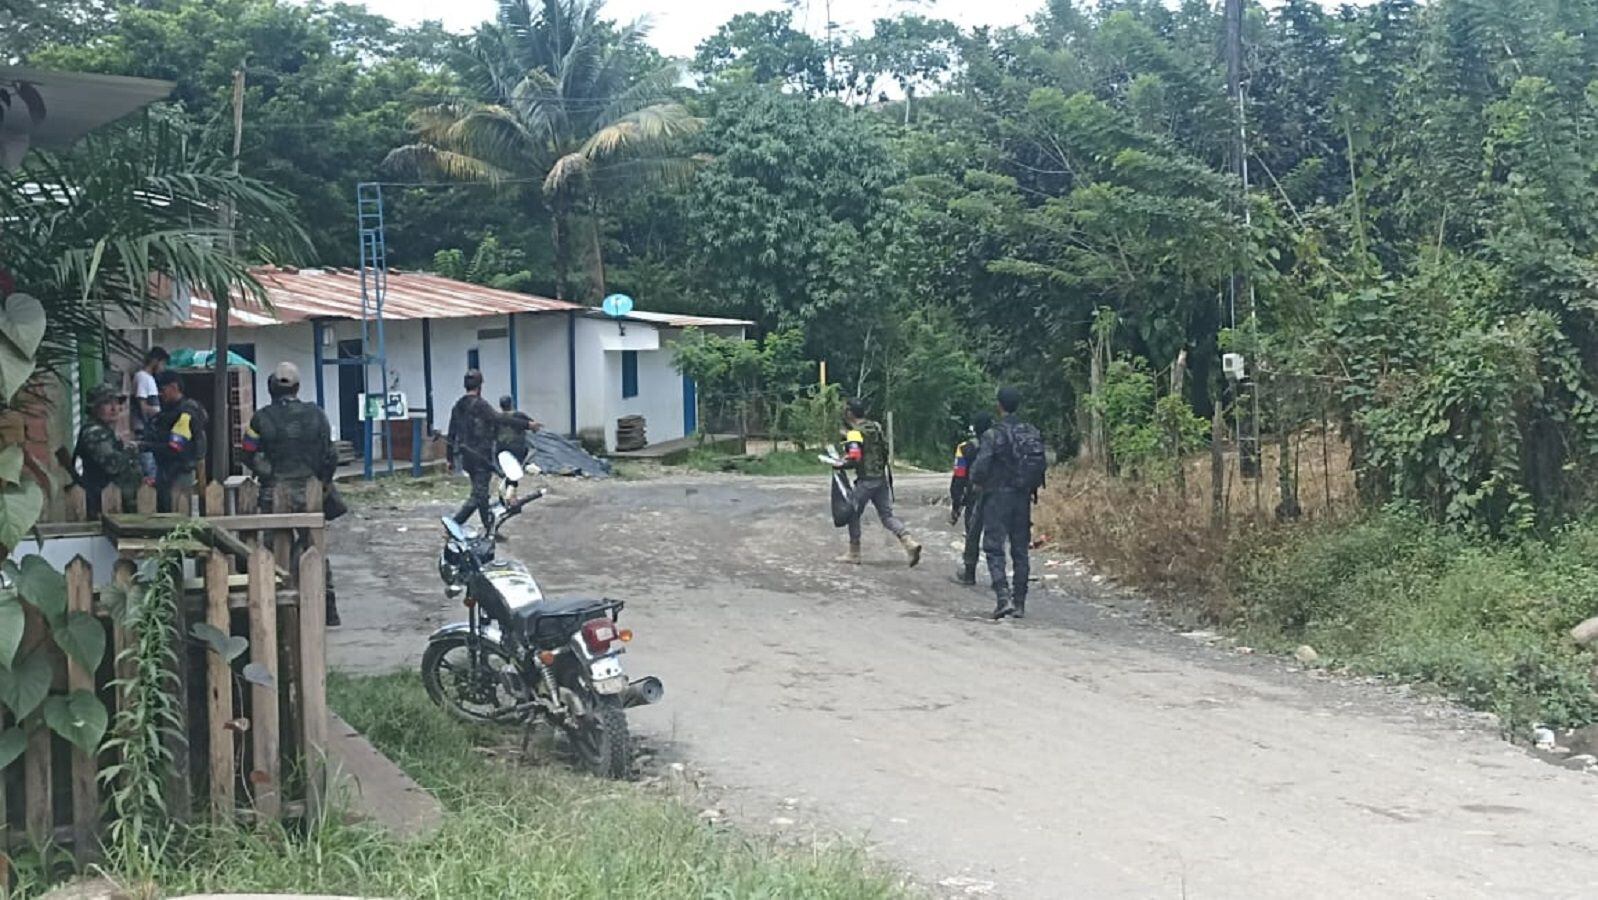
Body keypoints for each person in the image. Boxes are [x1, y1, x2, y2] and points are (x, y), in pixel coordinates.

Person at [242, 362, 343, 626]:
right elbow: (331, 455)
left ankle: (276, 608)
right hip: (310, 491)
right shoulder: (317, 415)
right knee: (314, 548)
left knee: (272, 551)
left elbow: (248, 452)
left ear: (271, 388)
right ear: (297, 387)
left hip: (275, 493)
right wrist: (322, 481)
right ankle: (328, 609)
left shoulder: (260, 418)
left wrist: (268, 474)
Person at [971, 387, 1044, 620]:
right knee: (1020, 549)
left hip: (996, 496)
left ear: (999, 405)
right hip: (1022, 496)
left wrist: (977, 483)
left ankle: (1003, 598)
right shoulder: (1030, 432)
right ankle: (1020, 602)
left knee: (994, 547)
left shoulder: (992, 434)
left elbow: (981, 467)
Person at [832, 398, 922, 567]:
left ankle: (854, 553)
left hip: (866, 480)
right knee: (887, 516)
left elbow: (855, 456)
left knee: (852, 513)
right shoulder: (876, 427)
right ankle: (909, 542)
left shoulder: (854, 433)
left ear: (850, 413)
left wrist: (840, 463)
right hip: (881, 478)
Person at [447, 370, 536, 531]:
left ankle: (489, 527)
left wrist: (449, 458)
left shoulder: (458, 406)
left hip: (466, 457)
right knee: (478, 495)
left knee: (482, 494)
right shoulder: (481, 405)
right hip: (481, 457)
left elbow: (451, 432)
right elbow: (500, 418)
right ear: (480, 386)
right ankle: (454, 524)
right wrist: (527, 425)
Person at [75, 385, 147, 516]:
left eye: (117, 403)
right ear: (94, 407)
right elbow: (113, 465)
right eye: (107, 403)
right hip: (103, 503)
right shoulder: (95, 433)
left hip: (116, 502)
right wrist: (131, 451)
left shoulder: (105, 431)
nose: (114, 409)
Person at [144, 371, 207, 513]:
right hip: (167, 472)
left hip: (179, 473)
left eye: (162, 389)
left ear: (174, 387)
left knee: (177, 514)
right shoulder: (169, 412)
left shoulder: (186, 413)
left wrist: (144, 446)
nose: (160, 394)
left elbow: (175, 447)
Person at [950, 411, 993, 586]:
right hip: (997, 495)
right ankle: (997, 576)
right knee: (994, 536)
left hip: (973, 495)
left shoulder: (965, 448)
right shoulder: (999, 445)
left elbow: (959, 477)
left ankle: (969, 573)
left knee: (972, 533)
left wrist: (956, 504)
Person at [131, 346, 168, 479]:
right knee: (149, 471)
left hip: (151, 431)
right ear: (155, 361)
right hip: (144, 430)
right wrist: (160, 414)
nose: (163, 368)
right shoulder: (142, 377)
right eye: (162, 363)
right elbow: (142, 406)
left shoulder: (149, 379)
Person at [495, 394, 537, 465]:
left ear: (500, 406)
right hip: (517, 450)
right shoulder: (519, 415)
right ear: (512, 404)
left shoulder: (496, 417)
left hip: (500, 450)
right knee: (533, 448)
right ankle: (523, 465)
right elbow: (534, 427)